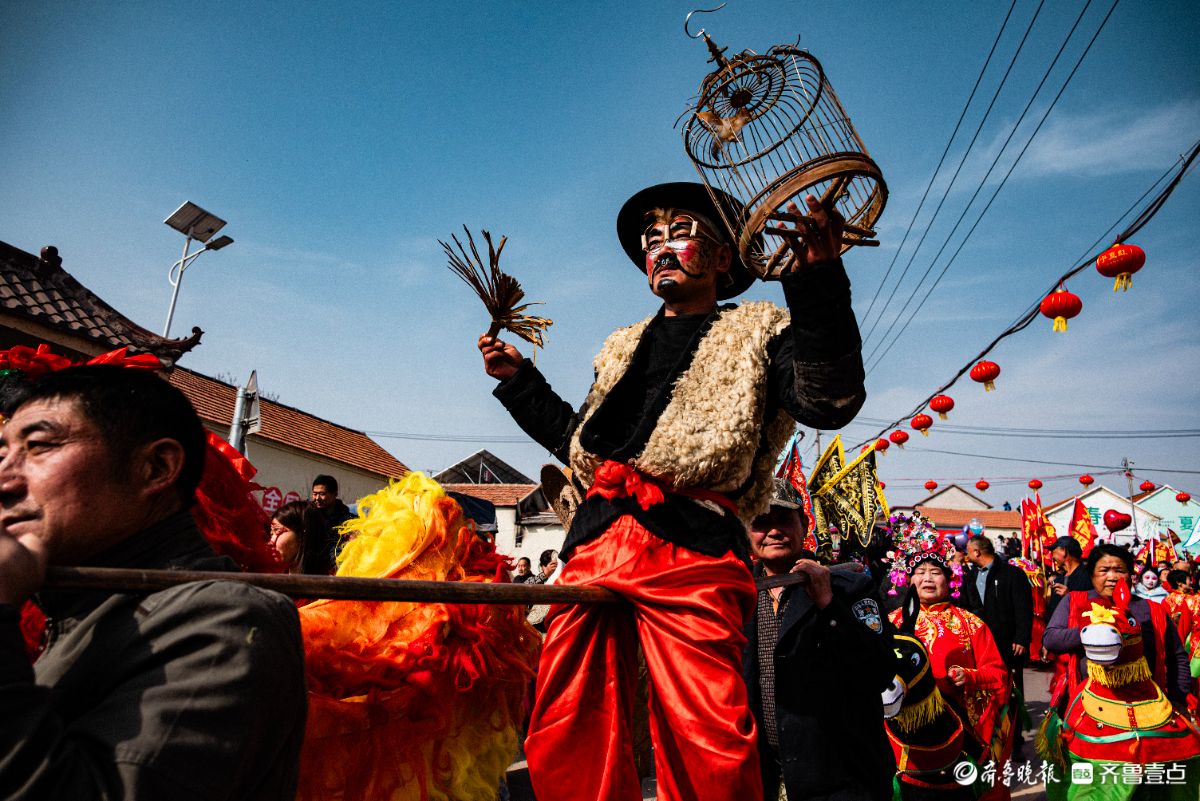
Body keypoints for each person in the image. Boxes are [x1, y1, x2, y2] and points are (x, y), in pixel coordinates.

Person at [477, 182, 865, 801]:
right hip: (595, 544)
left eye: (678, 233)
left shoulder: (761, 332)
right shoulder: (620, 345)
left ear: (720, 259)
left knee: (707, 732)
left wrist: (818, 281)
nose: (660, 248)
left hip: (692, 546)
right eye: (650, 240)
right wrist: (521, 382)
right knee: (567, 722)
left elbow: (830, 400)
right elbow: (585, 448)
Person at [0, 365, 307, 800]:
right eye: (2, 454)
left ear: (156, 468)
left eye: (38, 447)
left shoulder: (228, 620)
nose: (5, 480)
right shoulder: (77, 610)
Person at [743, 479, 895, 801]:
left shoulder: (849, 588)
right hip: (764, 778)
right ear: (747, 531)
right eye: (761, 522)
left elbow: (879, 671)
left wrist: (828, 604)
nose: (773, 531)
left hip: (841, 780)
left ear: (804, 524)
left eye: (783, 519)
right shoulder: (738, 595)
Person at [1041, 544, 1199, 799]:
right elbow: (1052, 639)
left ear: (1131, 575)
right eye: (1104, 570)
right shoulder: (1074, 602)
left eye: (1120, 570)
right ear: (1091, 574)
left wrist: (1179, 700)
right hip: (1089, 709)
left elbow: (1177, 657)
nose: (1112, 576)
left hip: (1149, 709)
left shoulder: (1152, 610)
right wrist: (1089, 633)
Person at [885, 514, 1015, 801]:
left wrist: (968, 676)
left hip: (959, 736)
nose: (928, 578)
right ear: (907, 578)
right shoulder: (890, 624)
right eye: (920, 572)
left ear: (949, 578)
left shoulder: (971, 623)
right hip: (898, 737)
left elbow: (1000, 675)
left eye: (935, 571)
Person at [962, 534, 1032, 699]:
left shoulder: (1012, 574)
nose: (967, 555)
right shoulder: (970, 576)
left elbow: (1023, 608)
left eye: (969, 551)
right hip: (979, 640)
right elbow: (964, 606)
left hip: (1006, 640)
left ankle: (1013, 721)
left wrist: (1021, 638)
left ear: (977, 552)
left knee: (1010, 687)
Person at [270, 499, 332, 575]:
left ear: (302, 536)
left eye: (277, 531)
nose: (271, 542)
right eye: (271, 533)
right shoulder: (270, 582)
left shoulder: (330, 584)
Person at [1046, 537, 1090, 620]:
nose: (1052, 556)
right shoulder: (1058, 580)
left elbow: (1093, 606)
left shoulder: (1088, 576)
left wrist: (1070, 597)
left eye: (1053, 551)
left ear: (1064, 551)